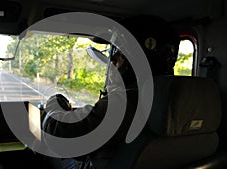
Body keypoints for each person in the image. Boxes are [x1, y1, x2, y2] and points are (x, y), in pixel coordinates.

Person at [41, 15, 180, 169]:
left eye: (120, 53)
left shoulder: (125, 101)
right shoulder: (182, 98)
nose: (112, 58)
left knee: (46, 152)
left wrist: (54, 103)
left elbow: (61, 137)